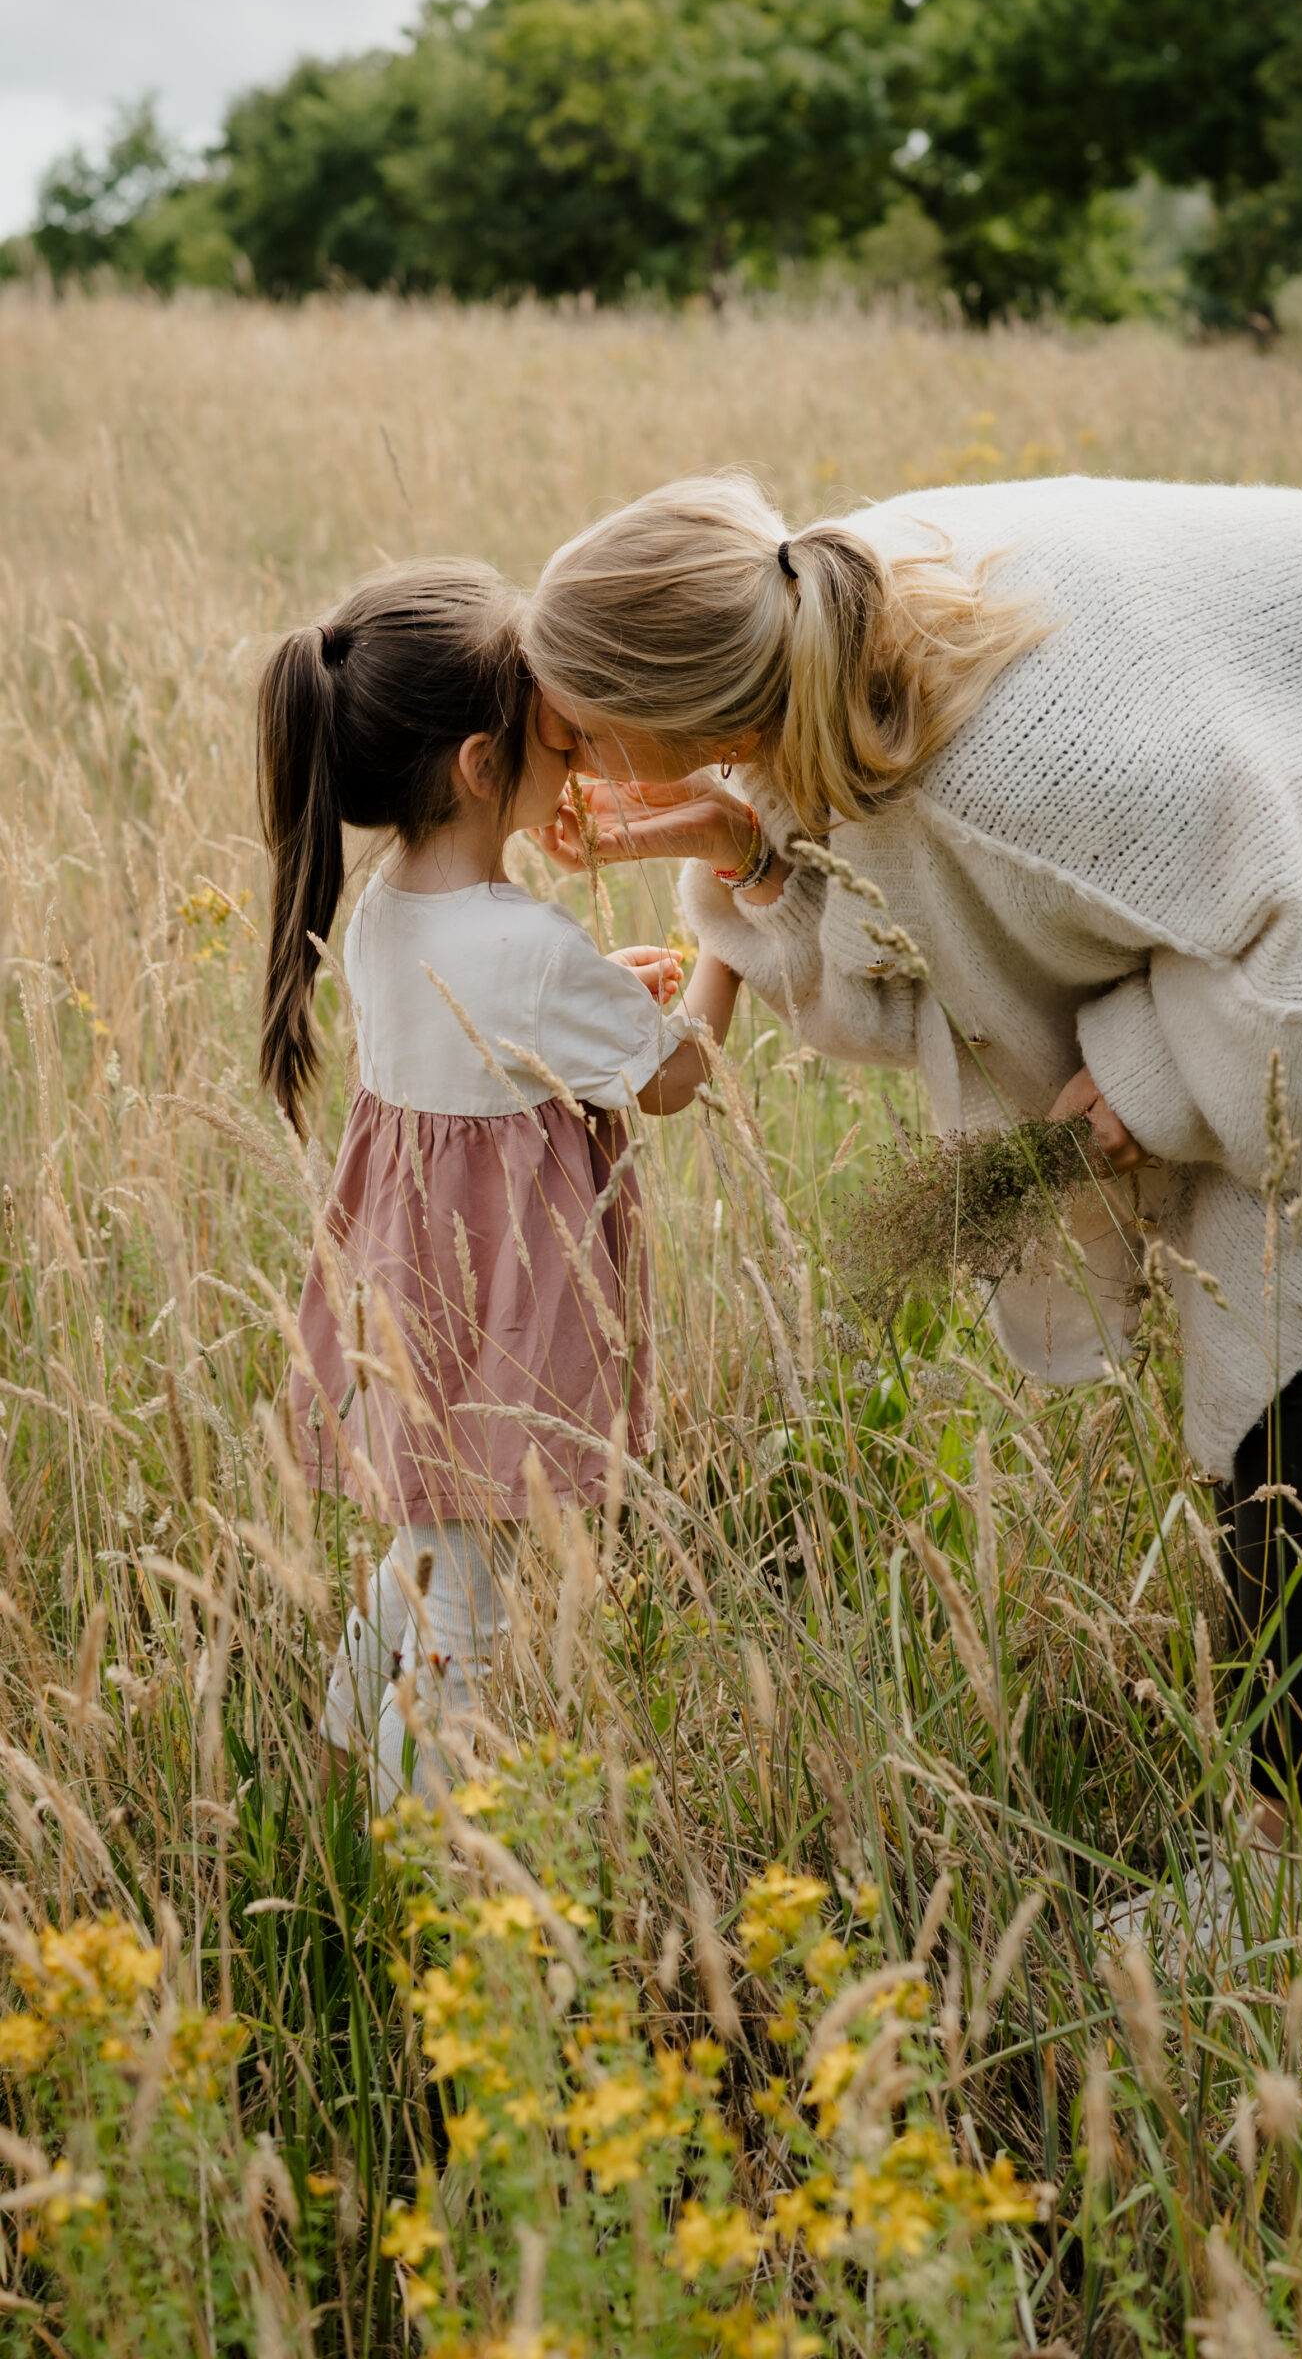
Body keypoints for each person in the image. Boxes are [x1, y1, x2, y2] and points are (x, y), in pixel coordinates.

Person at [521, 471, 1302, 1965]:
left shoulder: (1010, 767)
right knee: (1263, 1294)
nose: (569, 757)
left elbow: (1283, 921)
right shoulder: (816, 634)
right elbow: (924, 936)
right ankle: (1300, 1855)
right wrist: (754, 850)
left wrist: (1155, 1075)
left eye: (579, 727)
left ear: (680, 700)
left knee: (1282, 1304)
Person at [256, 559, 741, 1805]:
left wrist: (592, 992)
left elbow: (483, 1044)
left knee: (426, 1549)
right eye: (556, 734)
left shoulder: (382, 912)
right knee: (465, 1613)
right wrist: (727, 942)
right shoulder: (528, 948)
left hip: (407, 1301)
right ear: (483, 764)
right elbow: (675, 1077)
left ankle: (338, 1777)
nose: (575, 755)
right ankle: (430, 1864)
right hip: (501, 1322)